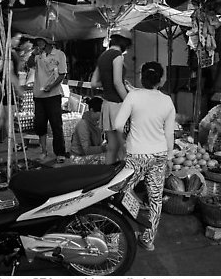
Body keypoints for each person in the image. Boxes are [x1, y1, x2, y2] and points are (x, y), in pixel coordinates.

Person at [115, 61, 176, 252]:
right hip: (159, 155)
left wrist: (127, 136)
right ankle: (148, 240)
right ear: (161, 80)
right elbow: (169, 134)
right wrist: (169, 158)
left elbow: (118, 124)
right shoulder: (167, 101)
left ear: (141, 77)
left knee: (120, 193)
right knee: (155, 198)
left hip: (137, 155)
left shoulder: (133, 96)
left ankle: (115, 236)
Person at [91, 27, 132, 164]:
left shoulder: (103, 56)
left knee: (112, 147)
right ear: (125, 43)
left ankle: (107, 176)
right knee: (124, 147)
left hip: (107, 104)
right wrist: (129, 102)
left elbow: (94, 83)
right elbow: (117, 83)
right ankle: (124, 179)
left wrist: (107, 83)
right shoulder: (117, 56)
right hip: (118, 106)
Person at [28, 37, 67, 164]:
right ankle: (43, 151)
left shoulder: (59, 54)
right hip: (39, 95)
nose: (38, 44)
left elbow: (62, 74)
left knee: (56, 124)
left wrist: (52, 86)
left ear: (48, 43)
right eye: (38, 42)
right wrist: (32, 54)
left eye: (41, 42)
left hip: (54, 95)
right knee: (40, 124)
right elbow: (29, 65)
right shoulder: (37, 55)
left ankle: (60, 152)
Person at [70, 97, 107, 164]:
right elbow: (86, 150)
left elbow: (100, 143)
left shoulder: (97, 123)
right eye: (100, 113)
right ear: (92, 110)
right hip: (78, 158)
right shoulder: (83, 125)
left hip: (88, 155)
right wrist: (104, 148)